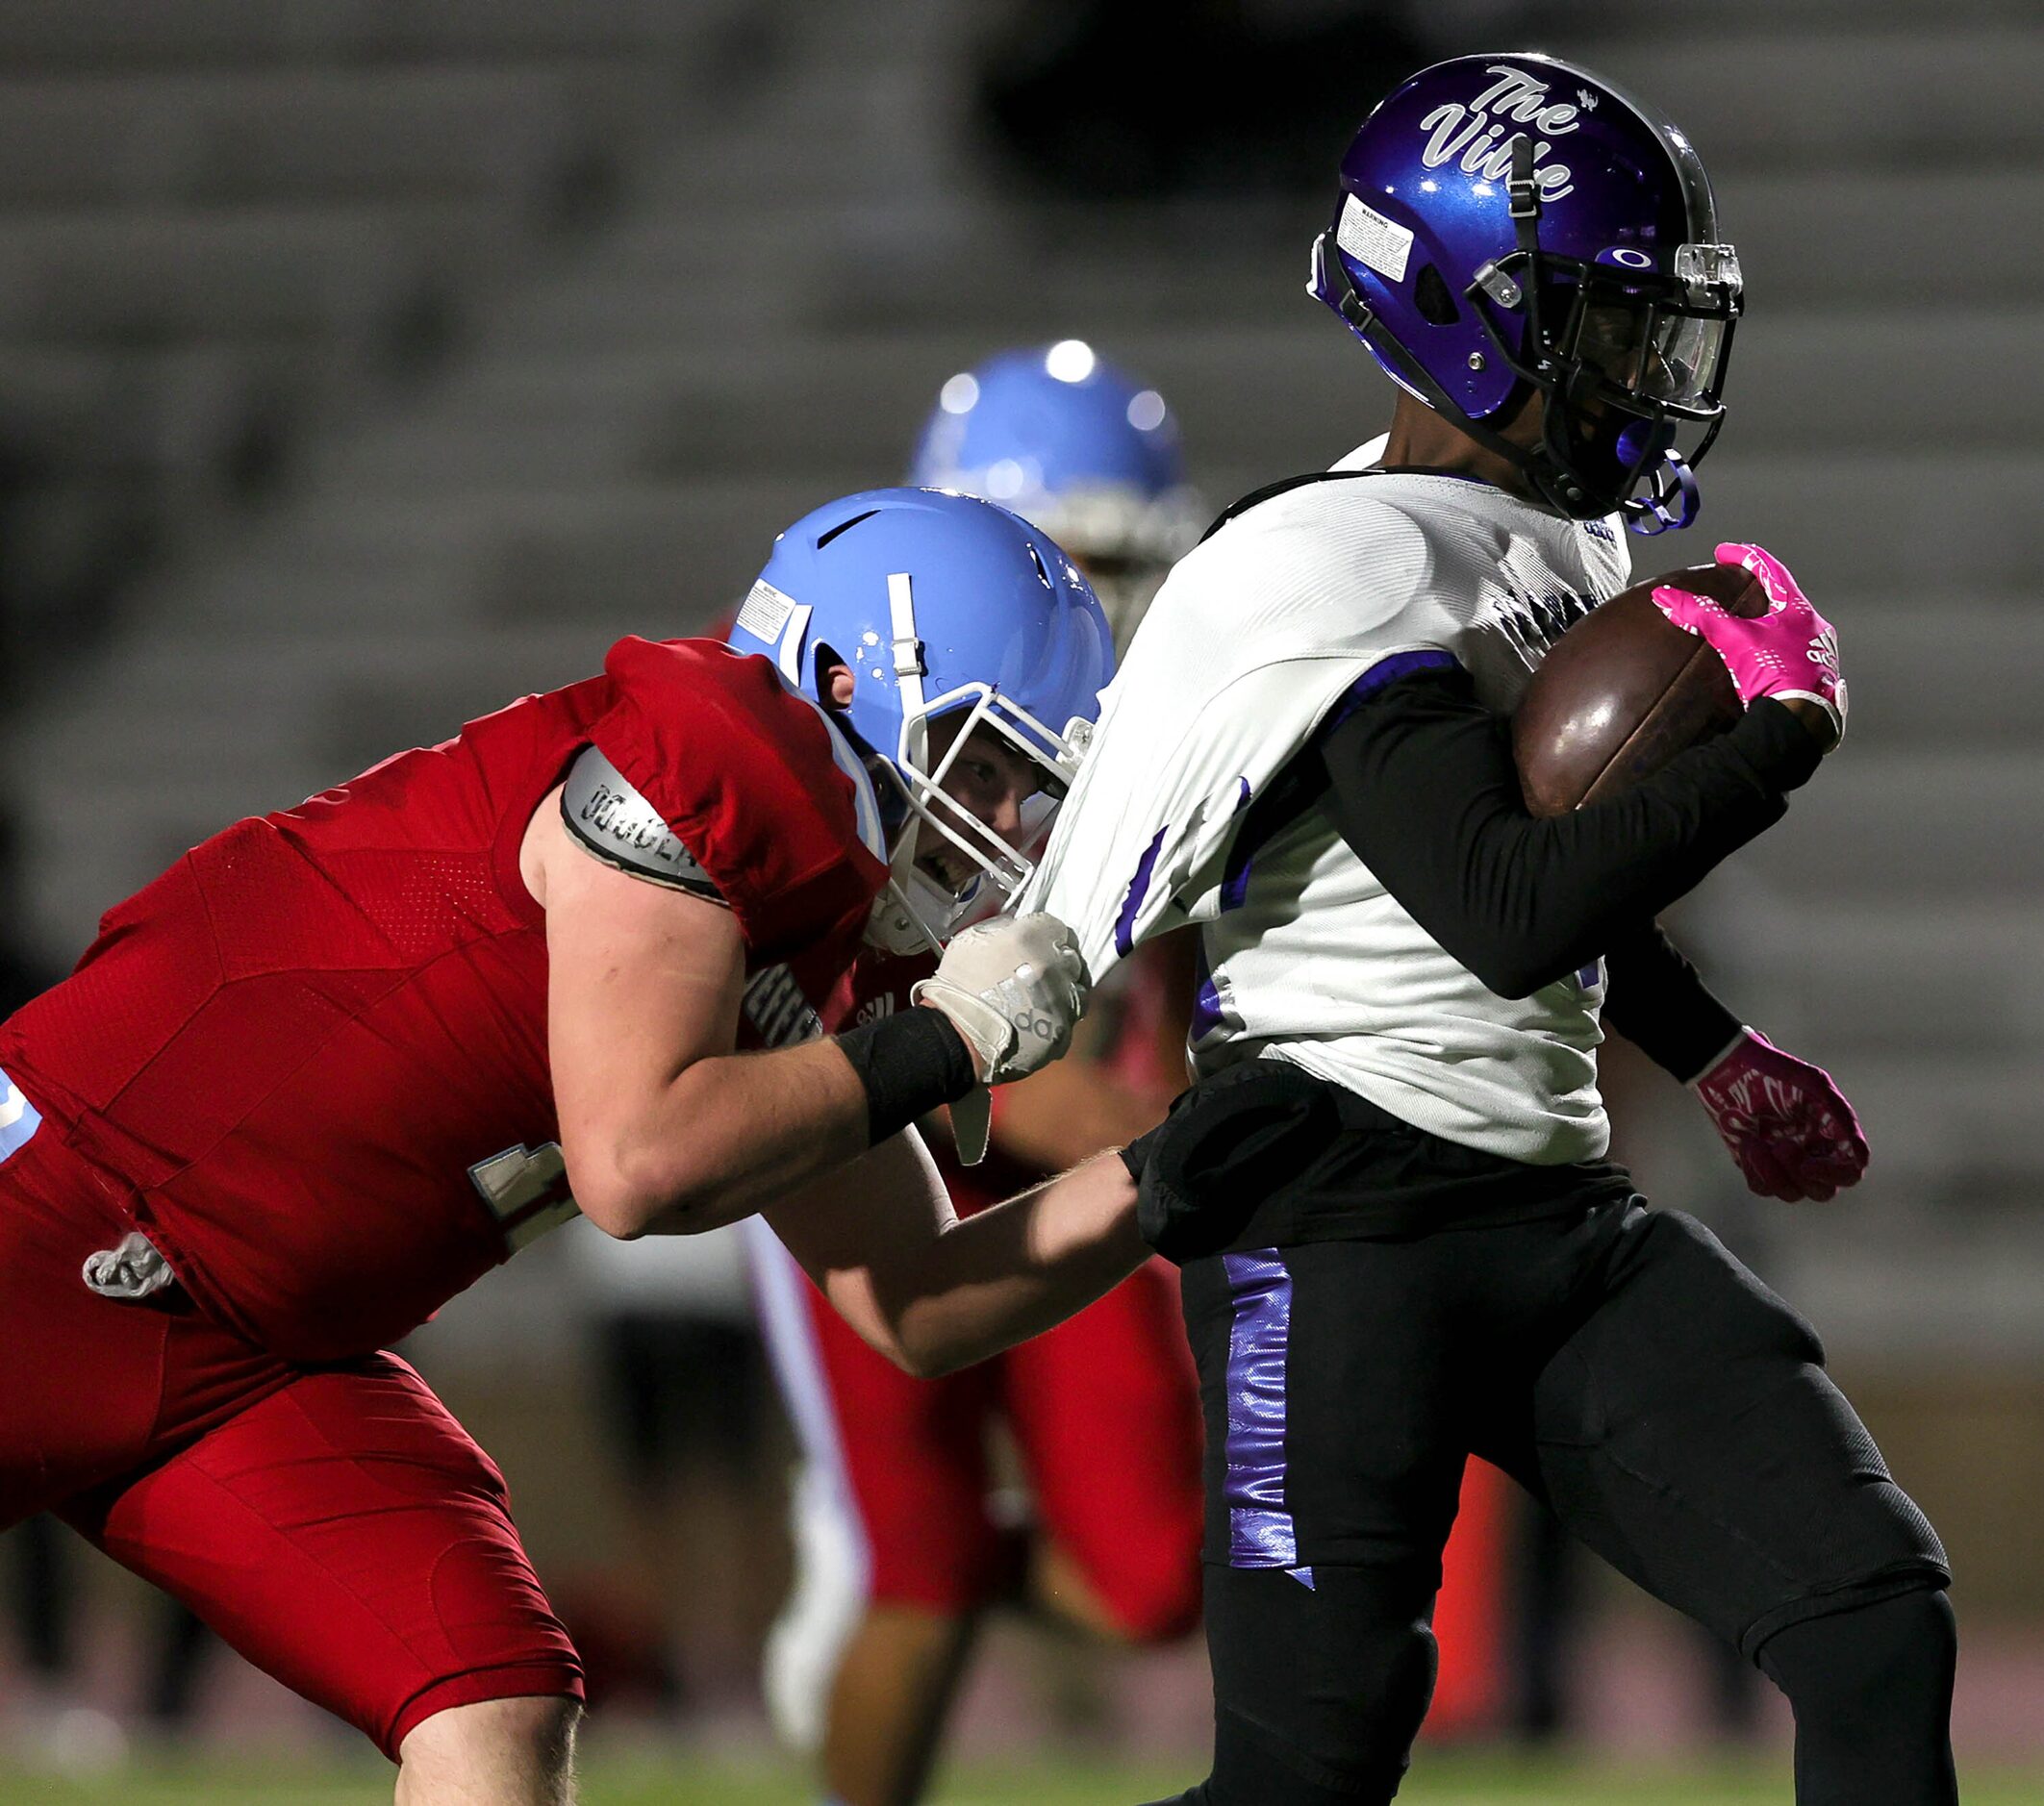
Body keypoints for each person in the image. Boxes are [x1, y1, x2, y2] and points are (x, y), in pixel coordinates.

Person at [1018, 53, 1956, 1806]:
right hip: (1333, 1218)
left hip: (1545, 1208)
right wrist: (1775, 738)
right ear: (1466, 310)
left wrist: (1711, 1046)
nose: (1639, 369)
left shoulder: (1545, 540)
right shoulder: (1336, 563)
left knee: (1869, 1620)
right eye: (1606, 321)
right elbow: (1500, 911)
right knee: (1302, 1781)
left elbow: (1558, 900)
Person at [0, 486, 1157, 1806]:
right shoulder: (706, 768)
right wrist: (944, 1042)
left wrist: (1180, 1167)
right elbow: (638, 1161)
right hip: (72, 1214)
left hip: (265, 1345)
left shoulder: (807, 922)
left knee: (489, 1698)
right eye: (987, 766)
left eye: (1032, 792)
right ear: (844, 676)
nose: (1007, 828)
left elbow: (920, 1296)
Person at [745, 344, 1207, 1806]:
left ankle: (900, 1537)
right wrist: (1006, 1087)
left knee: (1154, 1580)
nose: (1091, 601)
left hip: (1058, 1147)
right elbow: (777, 1004)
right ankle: (888, 1546)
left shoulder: (1162, 713)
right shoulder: (832, 717)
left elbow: (1180, 942)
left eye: (1121, 561)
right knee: (920, 1580)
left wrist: (1167, 1090)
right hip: (860, 1131)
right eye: (1061, 557)